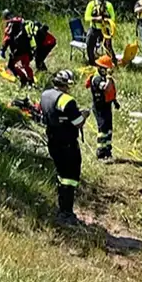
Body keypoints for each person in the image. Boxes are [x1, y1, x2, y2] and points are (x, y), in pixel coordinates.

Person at [40, 70, 90, 225]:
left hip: (52, 140)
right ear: (66, 84)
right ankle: (66, 213)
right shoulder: (67, 100)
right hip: (67, 144)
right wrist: (85, 115)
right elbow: (77, 122)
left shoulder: (45, 94)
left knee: (61, 175)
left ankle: (62, 208)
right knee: (70, 178)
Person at [85, 55, 120, 160]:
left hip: (107, 105)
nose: (108, 71)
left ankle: (108, 151)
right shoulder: (97, 78)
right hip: (99, 107)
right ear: (100, 67)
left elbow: (110, 93)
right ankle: (100, 152)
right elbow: (106, 88)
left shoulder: (104, 77)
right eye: (107, 68)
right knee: (103, 129)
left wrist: (115, 102)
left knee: (109, 129)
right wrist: (109, 77)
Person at [0, 9, 35, 87]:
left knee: (11, 66)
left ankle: (23, 80)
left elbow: (7, 38)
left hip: (17, 50)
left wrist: (3, 49)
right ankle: (31, 82)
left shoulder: (10, 24)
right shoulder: (22, 22)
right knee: (26, 65)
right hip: (27, 49)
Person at [83, 0, 116, 65]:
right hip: (94, 28)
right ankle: (92, 62)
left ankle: (112, 62)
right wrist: (96, 18)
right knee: (89, 45)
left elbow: (113, 18)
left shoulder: (109, 5)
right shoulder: (91, 4)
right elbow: (86, 18)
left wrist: (106, 20)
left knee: (108, 46)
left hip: (104, 29)